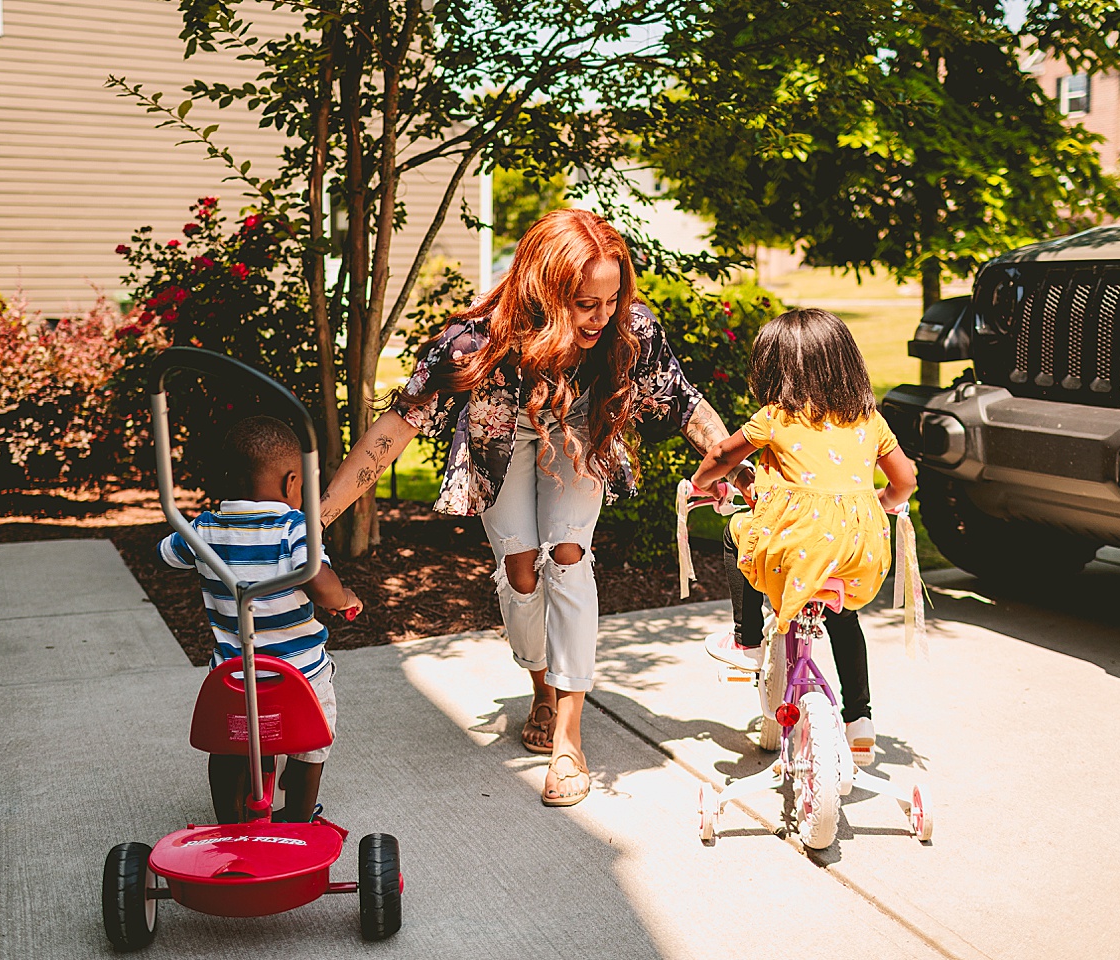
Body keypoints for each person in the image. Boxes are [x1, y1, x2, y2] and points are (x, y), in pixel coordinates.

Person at [319, 208, 750, 808]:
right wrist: (318, 519)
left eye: (611, 298)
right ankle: (541, 687)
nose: (602, 316)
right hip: (504, 439)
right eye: (584, 303)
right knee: (521, 571)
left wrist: (739, 466)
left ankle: (569, 737)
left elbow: (686, 404)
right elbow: (395, 428)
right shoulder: (478, 342)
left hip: (578, 432)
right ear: (544, 292)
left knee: (568, 555)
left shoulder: (629, 331)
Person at [689, 308, 916, 766]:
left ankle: (747, 640)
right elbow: (906, 478)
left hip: (794, 543)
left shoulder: (776, 417)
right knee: (843, 617)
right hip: (858, 548)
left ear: (776, 369)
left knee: (736, 534)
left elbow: (720, 454)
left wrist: (699, 483)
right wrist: (886, 500)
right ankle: (860, 719)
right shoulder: (868, 420)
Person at [159, 415, 363, 823]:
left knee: (229, 746)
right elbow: (320, 583)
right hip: (299, 676)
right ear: (292, 482)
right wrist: (344, 597)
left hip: (234, 676)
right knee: (311, 744)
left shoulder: (203, 528)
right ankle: (298, 820)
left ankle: (229, 822)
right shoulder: (295, 528)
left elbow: (167, 552)